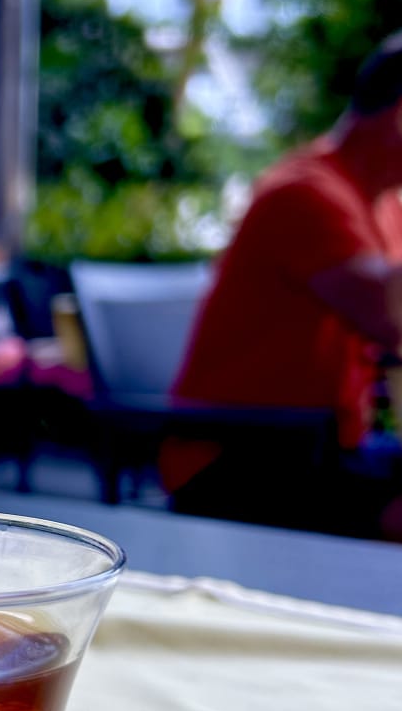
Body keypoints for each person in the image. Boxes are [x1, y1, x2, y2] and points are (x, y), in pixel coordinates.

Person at [165, 33, 402, 539]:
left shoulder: (382, 206)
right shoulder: (304, 194)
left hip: (319, 445)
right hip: (240, 458)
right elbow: (389, 316)